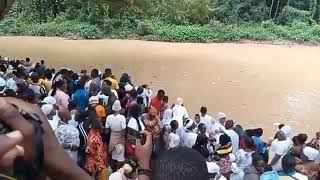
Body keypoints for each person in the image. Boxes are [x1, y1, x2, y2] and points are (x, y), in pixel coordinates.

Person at [85, 113, 108, 180]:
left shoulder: (94, 132)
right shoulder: (94, 139)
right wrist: (100, 169)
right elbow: (97, 157)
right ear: (94, 124)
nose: (101, 123)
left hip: (94, 164)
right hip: (96, 167)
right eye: (100, 122)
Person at [105, 100, 126, 172]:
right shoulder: (122, 117)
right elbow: (123, 130)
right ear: (120, 108)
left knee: (113, 157)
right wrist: (121, 138)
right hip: (120, 138)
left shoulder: (108, 117)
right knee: (120, 157)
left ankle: (113, 172)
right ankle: (119, 172)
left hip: (112, 138)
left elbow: (107, 131)